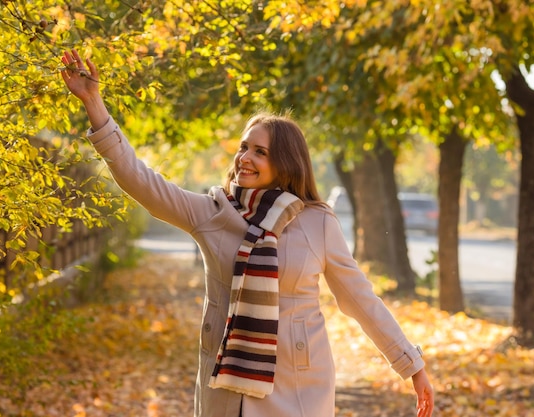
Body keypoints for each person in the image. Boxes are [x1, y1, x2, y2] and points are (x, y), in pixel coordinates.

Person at [60, 49, 434, 417]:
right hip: (226, 386)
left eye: (260, 152)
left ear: (285, 163)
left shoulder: (317, 221)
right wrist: (95, 103)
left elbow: (359, 298)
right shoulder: (213, 212)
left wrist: (411, 364)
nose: (245, 158)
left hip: (298, 386)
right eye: (243, 148)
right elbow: (140, 181)